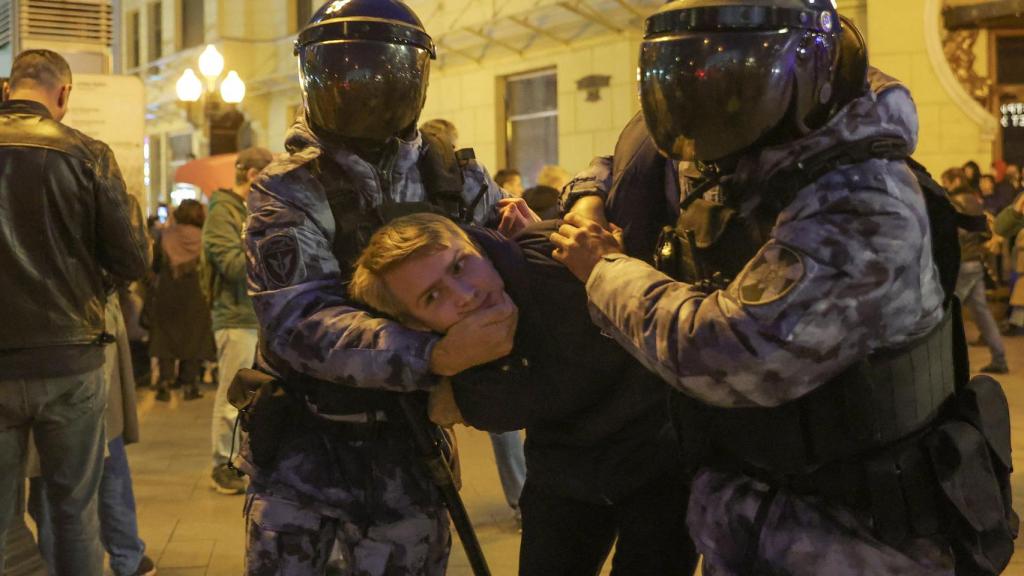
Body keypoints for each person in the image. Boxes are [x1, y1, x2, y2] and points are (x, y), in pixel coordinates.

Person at [553, 2, 1016, 574]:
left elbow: (731, 352)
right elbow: (635, 153)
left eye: (733, 79)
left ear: (807, 78)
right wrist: (587, 194)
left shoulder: (860, 200)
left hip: (859, 537)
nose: (709, 107)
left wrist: (604, 269)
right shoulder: (757, 151)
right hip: (761, 513)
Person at [237, 2, 522, 574]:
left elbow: (510, 282)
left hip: (410, 457)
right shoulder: (288, 190)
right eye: (342, 71)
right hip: (302, 459)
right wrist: (433, 354)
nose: (363, 87)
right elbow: (299, 322)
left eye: (381, 69)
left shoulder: (456, 178)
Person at [349, 213, 697, 575]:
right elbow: (498, 413)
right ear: (417, 325)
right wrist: (477, 361)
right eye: (433, 296)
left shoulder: (563, 254)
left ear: (477, 247)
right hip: (564, 475)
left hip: (661, 465)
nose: (467, 295)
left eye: (460, 266)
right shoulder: (461, 367)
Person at [0, 49, 149, 576]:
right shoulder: (87, 154)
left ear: (7, 88)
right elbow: (131, 257)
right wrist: (88, 284)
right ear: (63, 94)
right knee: (73, 511)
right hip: (71, 359)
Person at [29, 296, 157, 576]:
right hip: (84, 336)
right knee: (102, 457)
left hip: (26, 348)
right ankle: (126, 556)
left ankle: (54, 563)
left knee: (47, 467)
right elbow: (130, 261)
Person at [202, 146, 274, 495]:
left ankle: (243, 461)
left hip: (255, 316)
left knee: (252, 395)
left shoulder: (251, 211)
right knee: (231, 393)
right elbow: (231, 264)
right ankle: (222, 464)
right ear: (252, 176)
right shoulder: (222, 212)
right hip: (234, 317)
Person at [942, 168, 1008, 373]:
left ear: (953, 181)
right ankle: (999, 358)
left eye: (946, 181)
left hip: (962, 263)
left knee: (945, 314)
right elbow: (983, 229)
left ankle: (945, 365)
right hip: (976, 262)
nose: (943, 185)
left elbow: (955, 235)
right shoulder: (975, 200)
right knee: (982, 314)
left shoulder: (954, 202)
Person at [149, 199, 215, 402]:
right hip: (195, 292)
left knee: (165, 336)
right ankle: (189, 384)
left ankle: (165, 383)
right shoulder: (204, 238)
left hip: (168, 291)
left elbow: (156, 264)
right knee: (194, 336)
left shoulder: (165, 235)